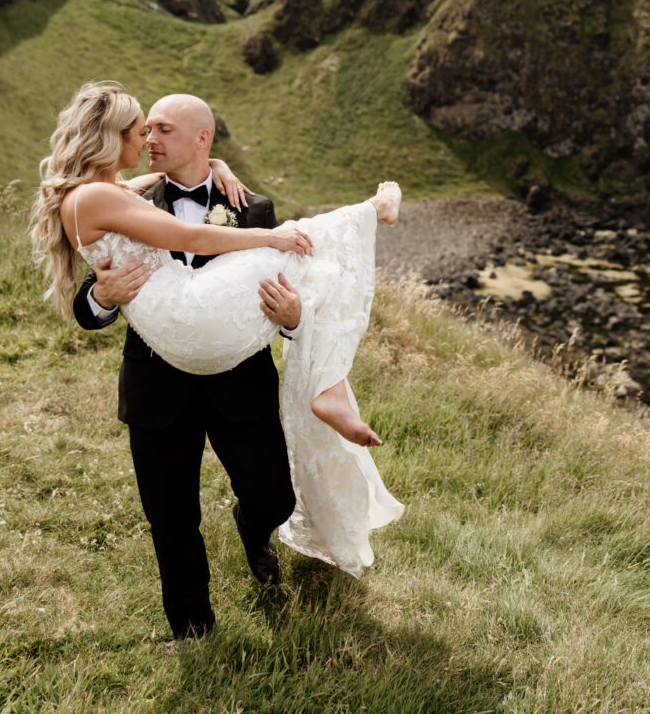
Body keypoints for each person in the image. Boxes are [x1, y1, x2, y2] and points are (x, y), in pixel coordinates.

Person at [29, 81, 404, 640]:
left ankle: (256, 529)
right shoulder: (115, 198)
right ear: (113, 138)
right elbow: (98, 297)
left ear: (202, 139)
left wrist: (292, 317)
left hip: (237, 380)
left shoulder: (243, 203)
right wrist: (103, 297)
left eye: (161, 129)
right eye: (142, 130)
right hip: (160, 380)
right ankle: (192, 628)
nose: (148, 139)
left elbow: (274, 302)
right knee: (171, 516)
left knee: (273, 497)